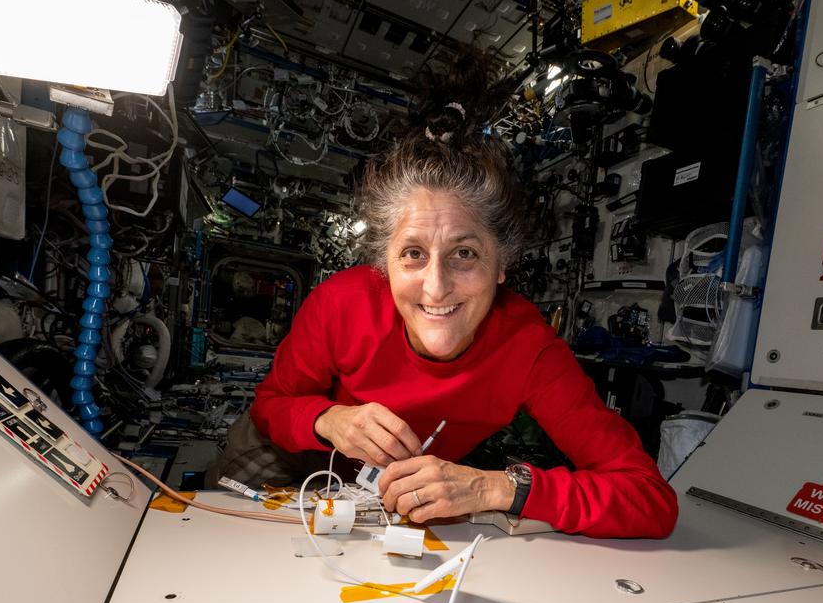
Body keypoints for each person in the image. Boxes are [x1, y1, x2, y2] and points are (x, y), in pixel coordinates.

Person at [206, 55, 677, 539]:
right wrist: (329, 418)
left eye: (465, 254)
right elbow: (272, 403)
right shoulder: (340, 302)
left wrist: (500, 489)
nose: (436, 288)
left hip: (390, 490)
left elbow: (650, 500)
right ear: (382, 262)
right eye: (412, 253)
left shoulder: (530, 350)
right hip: (290, 446)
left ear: (502, 264)